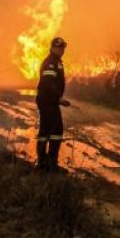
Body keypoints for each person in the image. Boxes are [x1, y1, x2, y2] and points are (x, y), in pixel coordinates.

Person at [36, 36, 71, 171]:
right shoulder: (51, 62)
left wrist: (57, 99)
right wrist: (58, 98)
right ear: (52, 48)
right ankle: (50, 164)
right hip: (47, 101)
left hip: (48, 101)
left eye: (63, 47)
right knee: (56, 131)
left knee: (45, 131)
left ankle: (43, 163)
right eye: (59, 47)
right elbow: (47, 82)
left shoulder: (56, 61)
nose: (62, 50)